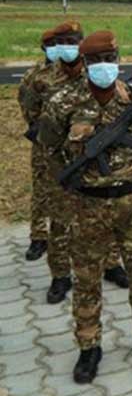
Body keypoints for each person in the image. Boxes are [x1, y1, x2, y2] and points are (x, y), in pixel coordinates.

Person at [38, 30, 132, 384]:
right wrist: (72, 183)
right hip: (88, 206)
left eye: (110, 60)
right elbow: (49, 150)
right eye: (97, 61)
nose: (105, 67)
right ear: (84, 64)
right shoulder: (62, 103)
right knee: (86, 279)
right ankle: (89, 347)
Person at [17, 28, 58, 262]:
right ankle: (39, 236)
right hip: (43, 142)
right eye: (51, 44)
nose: (57, 48)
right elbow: (26, 107)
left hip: (71, 144)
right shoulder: (33, 76)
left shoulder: (77, 74)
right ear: (44, 48)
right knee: (41, 190)